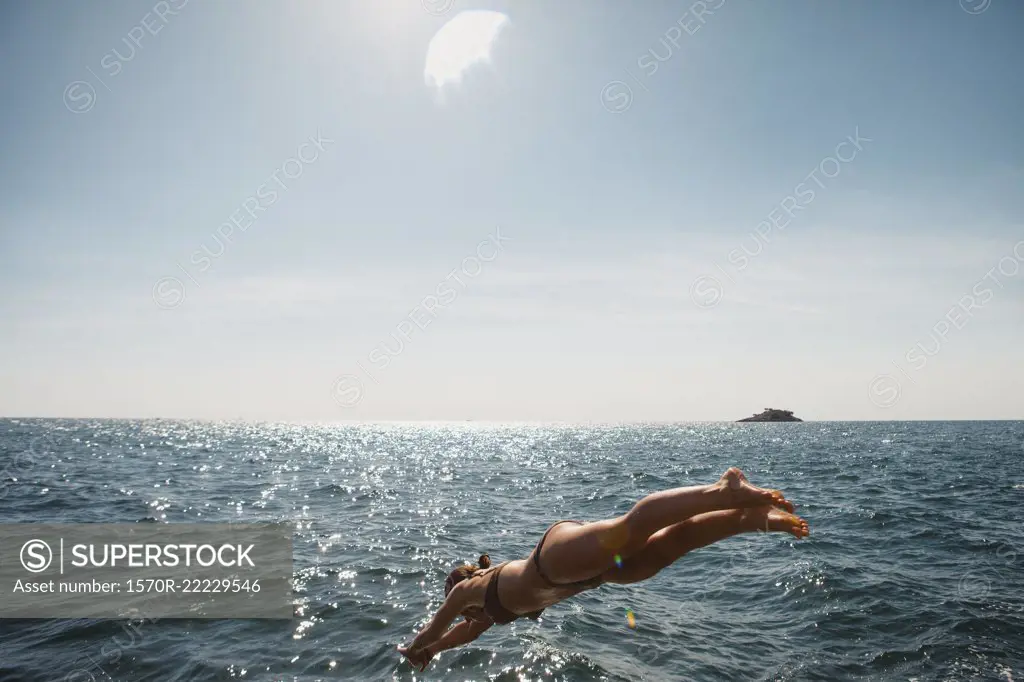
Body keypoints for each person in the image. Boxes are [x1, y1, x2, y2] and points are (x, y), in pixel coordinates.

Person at [397, 467, 809, 671]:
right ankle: (756, 518)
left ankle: (722, 492)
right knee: (665, 550)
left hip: (553, 560)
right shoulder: (484, 616)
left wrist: (414, 647)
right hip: (588, 576)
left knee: (630, 530)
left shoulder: (469, 592)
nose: (463, 617)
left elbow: (437, 629)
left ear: (463, 583)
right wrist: (429, 654)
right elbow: (450, 639)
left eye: (455, 595)